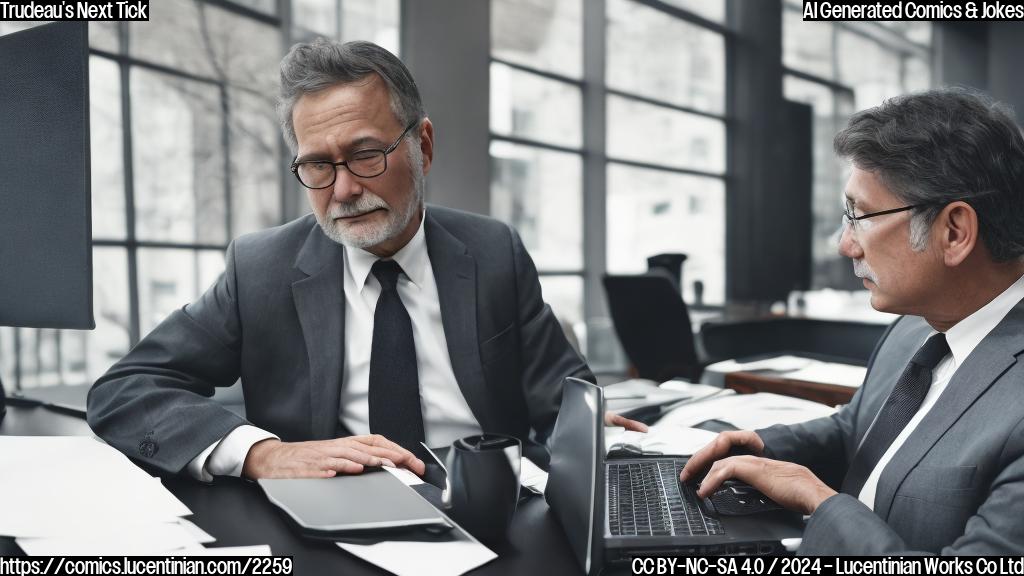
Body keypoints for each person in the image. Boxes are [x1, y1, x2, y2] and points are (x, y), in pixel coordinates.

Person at [87, 39, 642, 482]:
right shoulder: (260, 269)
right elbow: (125, 389)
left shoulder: (494, 251)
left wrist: (590, 432)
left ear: (421, 147)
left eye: (365, 154)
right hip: (329, 512)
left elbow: (564, 399)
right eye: (317, 166)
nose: (344, 189)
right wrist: (263, 454)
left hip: (489, 506)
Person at [681, 88, 1024, 555]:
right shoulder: (914, 327)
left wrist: (820, 502)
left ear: (954, 232)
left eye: (860, 216)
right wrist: (762, 448)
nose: (845, 245)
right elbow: (860, 428)